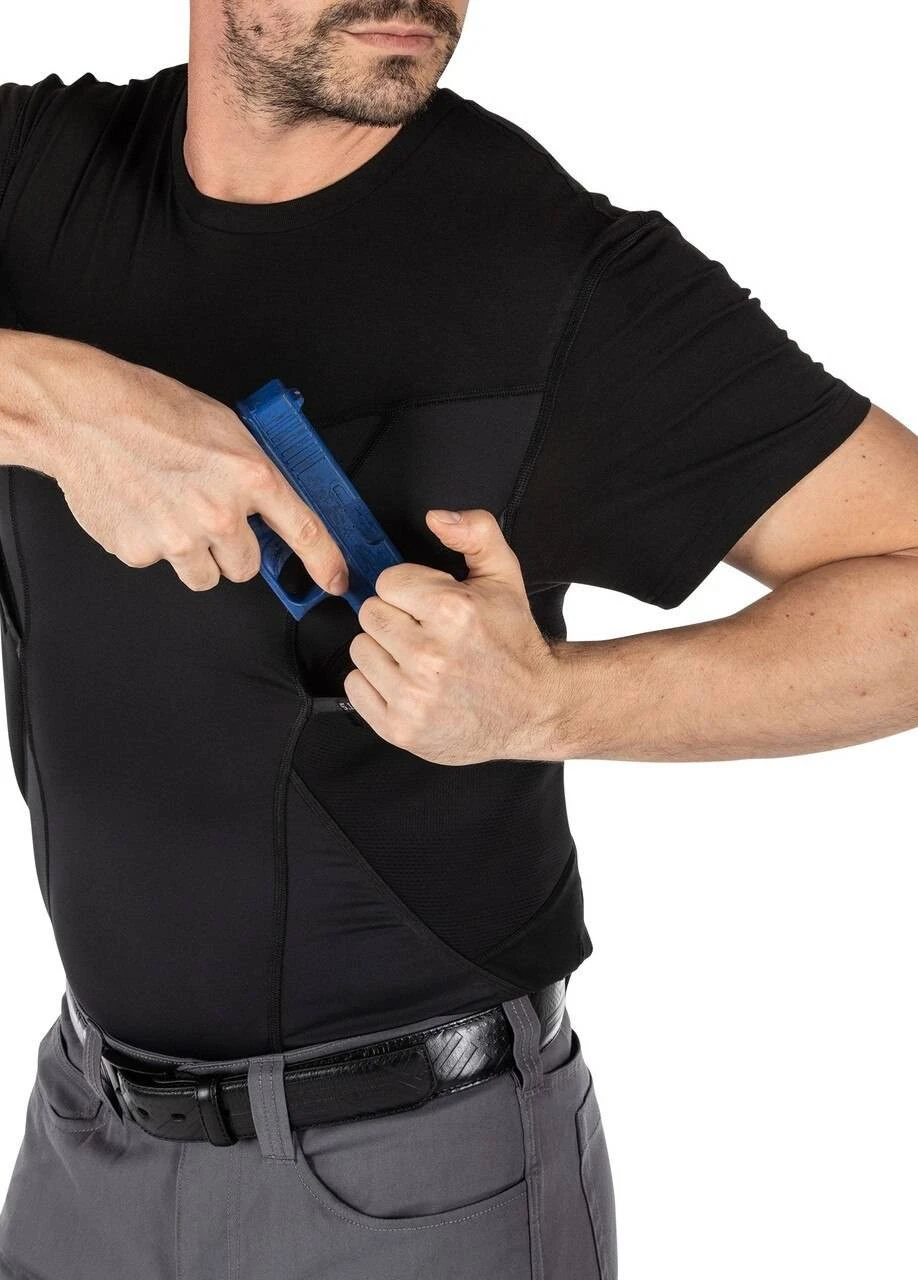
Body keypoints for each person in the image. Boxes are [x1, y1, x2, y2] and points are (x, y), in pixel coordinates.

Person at [0, 1, 915, 1276]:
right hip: (80, 1152)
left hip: (412, 1189)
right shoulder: (38, 173)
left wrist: (551, 703)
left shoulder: (550, 272)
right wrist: (55, 404)